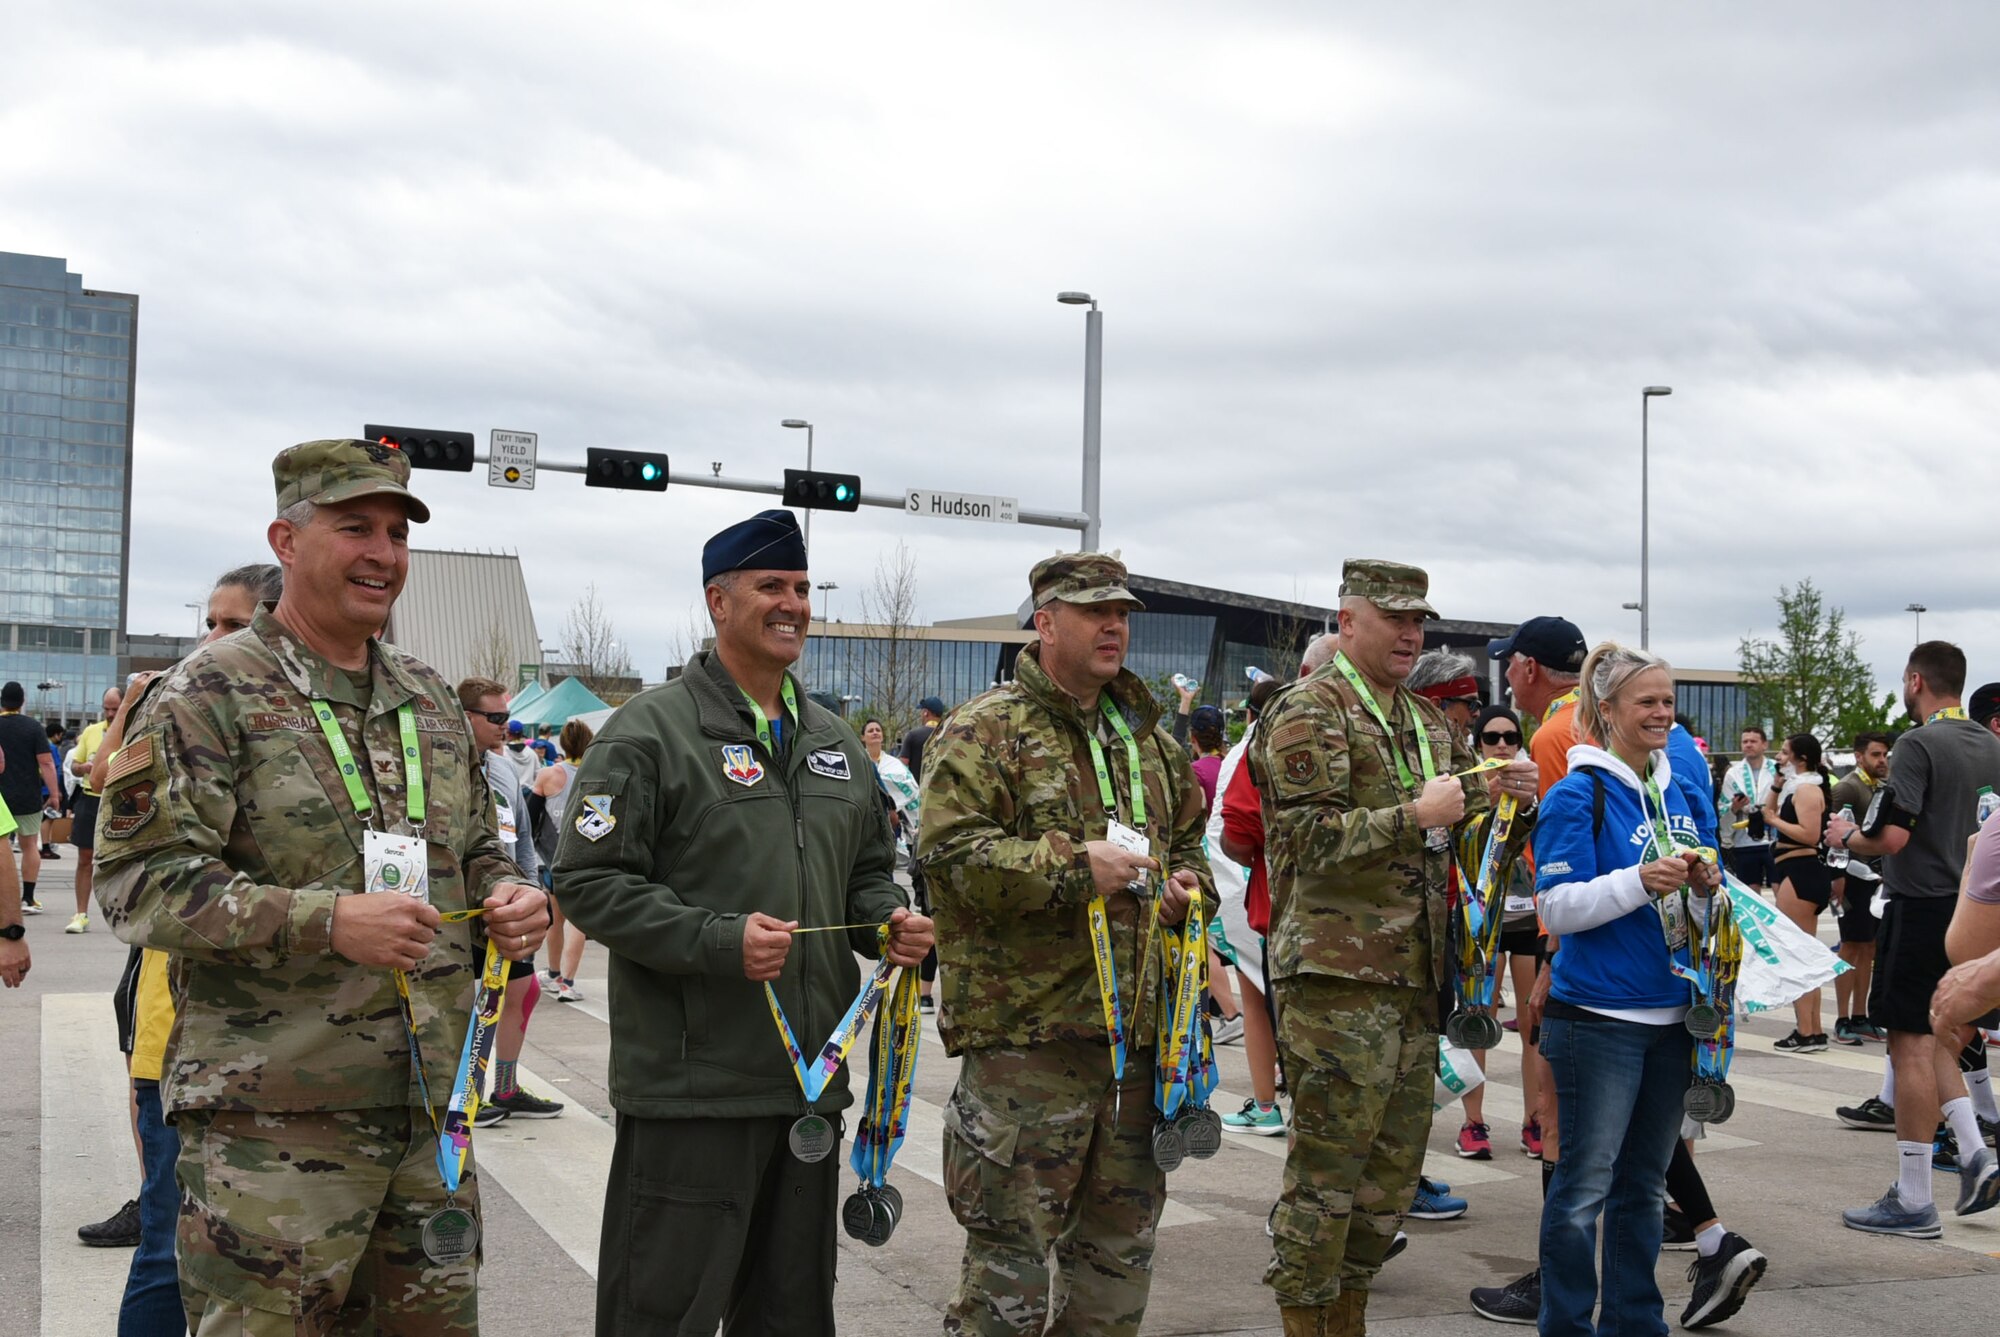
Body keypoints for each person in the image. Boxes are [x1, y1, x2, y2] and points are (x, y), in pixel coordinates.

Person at [93, 438, 550, 1333]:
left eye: (396, 533)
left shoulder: (426, 697)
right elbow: (137, 881)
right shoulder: (206, 693)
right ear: (287, 540)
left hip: (428, 1110)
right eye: (355, 528)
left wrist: (509, 895)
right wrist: (326, 920)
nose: (384, 553)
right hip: (274, 1124)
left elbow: (466, 847)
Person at [553, 509, 931, 1335]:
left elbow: (865, 872)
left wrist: (886, 923)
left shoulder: (836, 740)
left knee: (792, 1318)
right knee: (661, 1314)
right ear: (718, 601)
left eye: (801, 587)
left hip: (806, 1090)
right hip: (693, 1091)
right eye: (772, 586)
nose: (793, 603)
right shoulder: (649, 733)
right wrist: (718, 939)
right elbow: (587, 879)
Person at [919, 550, 1211, 1337]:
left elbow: (1189, 844)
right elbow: (946, 860)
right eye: (1093, 611)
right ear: (1045, 622)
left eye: (1121, 612)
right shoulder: (986, 730)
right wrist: (1074, 866)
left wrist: (1188, 891)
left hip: (1134, 1050)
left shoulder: (1148, 741)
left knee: (1116, 1276)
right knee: (1005, 1286)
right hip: (1028, 1051)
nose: (1113, 625)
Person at [1250, 560, 1539, 1336]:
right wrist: (1415, 812)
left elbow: (1453, 818)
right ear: (1348, 622)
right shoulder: (1309, 710)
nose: (1412, 632)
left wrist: (1500, 797)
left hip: (1414, 981)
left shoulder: (1423, 719)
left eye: (1419, 620)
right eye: (1394, 618)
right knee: (1327, 1178)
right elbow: (1305, 840)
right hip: (1336, 981)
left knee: (1387, 1184)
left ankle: (1349, 1319)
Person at [1530, 642, 1763, 1335]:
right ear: (1608, 711)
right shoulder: (1578, 792)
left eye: (1668, 700)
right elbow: (1557, 907)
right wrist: (1639, 881)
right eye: (1648, 702)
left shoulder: (1684, 789)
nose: (1662, 712)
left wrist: (1705, 890)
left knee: (1643, 1188)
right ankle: (1566, 1323)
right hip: (1597, 1019)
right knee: (1582, 1191)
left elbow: (1704, 905)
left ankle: (1635, 1322)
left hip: (1673, 1019)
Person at [1828, 641, 2000, 1237]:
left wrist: (1846, 837)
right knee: (1941, 1037)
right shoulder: (1992, 745)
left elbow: (1892, 838)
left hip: (1921, 903)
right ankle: (1976, 1153)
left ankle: (1914, 1197)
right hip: (1977, 910)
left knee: (1908, 1046)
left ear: (1916, 679)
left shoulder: (1918, 743)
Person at [462, 678, 565, 1126]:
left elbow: (521, 836)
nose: (507, 726)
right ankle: (467, 1091)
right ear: (466, 717)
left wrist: (531, 886)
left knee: (524, 988)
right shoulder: (442, 767)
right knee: (474, 999)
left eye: (507, 717)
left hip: (511, 903)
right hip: (467, 909)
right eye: (496, 718)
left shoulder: (503, 769)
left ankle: (504, 1087)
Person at [1452, 704, 1542, 1162]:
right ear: (1478, 742)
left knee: (1532, 1025)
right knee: (1477, 1016)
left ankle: (1535, 1120)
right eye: (1492, 737)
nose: (1502, 744)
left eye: (1510, 735)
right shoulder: (1467, 783)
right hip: (1480, 917)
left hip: (1528, 916)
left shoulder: (1534, 779)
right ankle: (1474, 1122)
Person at [1765, 733, 1833, 1051]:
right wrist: (1777, 785)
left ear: (1800, 758)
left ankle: (1807, 1030)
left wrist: (1777, 821)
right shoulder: (1797, 786)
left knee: (1797, 956)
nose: (1779, 756)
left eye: (1784, 752)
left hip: (1801, 873)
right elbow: (1768, 808)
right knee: (1804, 955)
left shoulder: (1807, 789)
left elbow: (1810, 834)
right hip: (1796, 872)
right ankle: (1812, 1029)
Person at [1830, 732, 1892, 1047]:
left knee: (1869, 949)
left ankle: (1860, 1016)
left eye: (1885, 754)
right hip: (1851, 876)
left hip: (1876, 879)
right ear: (1859, 756)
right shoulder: (1846, 788)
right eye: (1876, 754)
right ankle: (1842, 1019)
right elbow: (1829, 835)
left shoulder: (1881, 787)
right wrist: (1836, 877)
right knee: (1851, 947)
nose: (1882, 760)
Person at [533, 718, 594, 1002]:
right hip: (585, 857)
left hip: (553, 858)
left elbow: (532, 817)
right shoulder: (595, 773)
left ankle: (555, 974)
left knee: (556, 920)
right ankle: (567, 982)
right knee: (578, 922)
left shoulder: (548, 775)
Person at [64, 684, 123, 934]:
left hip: (119, 801)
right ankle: (81, 913)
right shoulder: (91, 732)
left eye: (115, 709)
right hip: (90, 800)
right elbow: (74, 766)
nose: (110, 714)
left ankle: (124, 916)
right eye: (106, 709)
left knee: (122, 862)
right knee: (85, 859)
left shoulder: (131, 731)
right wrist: (84, 767)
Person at [0, 681, 60, 920]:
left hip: (0, 798)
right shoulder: (33, 727)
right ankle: (28, 898)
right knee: (29, 846)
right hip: (27, 796)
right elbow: (46, 763)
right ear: (22, 701)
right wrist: (54, 794)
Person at [1721, 727, 1779, 891]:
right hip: (1744, 841)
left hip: (1774, 840)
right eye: (1745, 741)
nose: (1748, 745)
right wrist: (1735, 807)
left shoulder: (1777, 769)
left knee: (1779, 887)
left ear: (1764, 745)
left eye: (1753, 741)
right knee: (1751, 891)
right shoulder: (1733, 773)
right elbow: (1723, 806)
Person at [1407, 647, 1485, 734]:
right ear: (1435, 706)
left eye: (1478, 705)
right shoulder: (1398, 743)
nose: (1477, 713)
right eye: (1471, 704)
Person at [900, 694, 946, 776]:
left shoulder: (913, 735)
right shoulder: (948, 735)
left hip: (917, 787)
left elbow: (902, 765)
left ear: (926, 713)